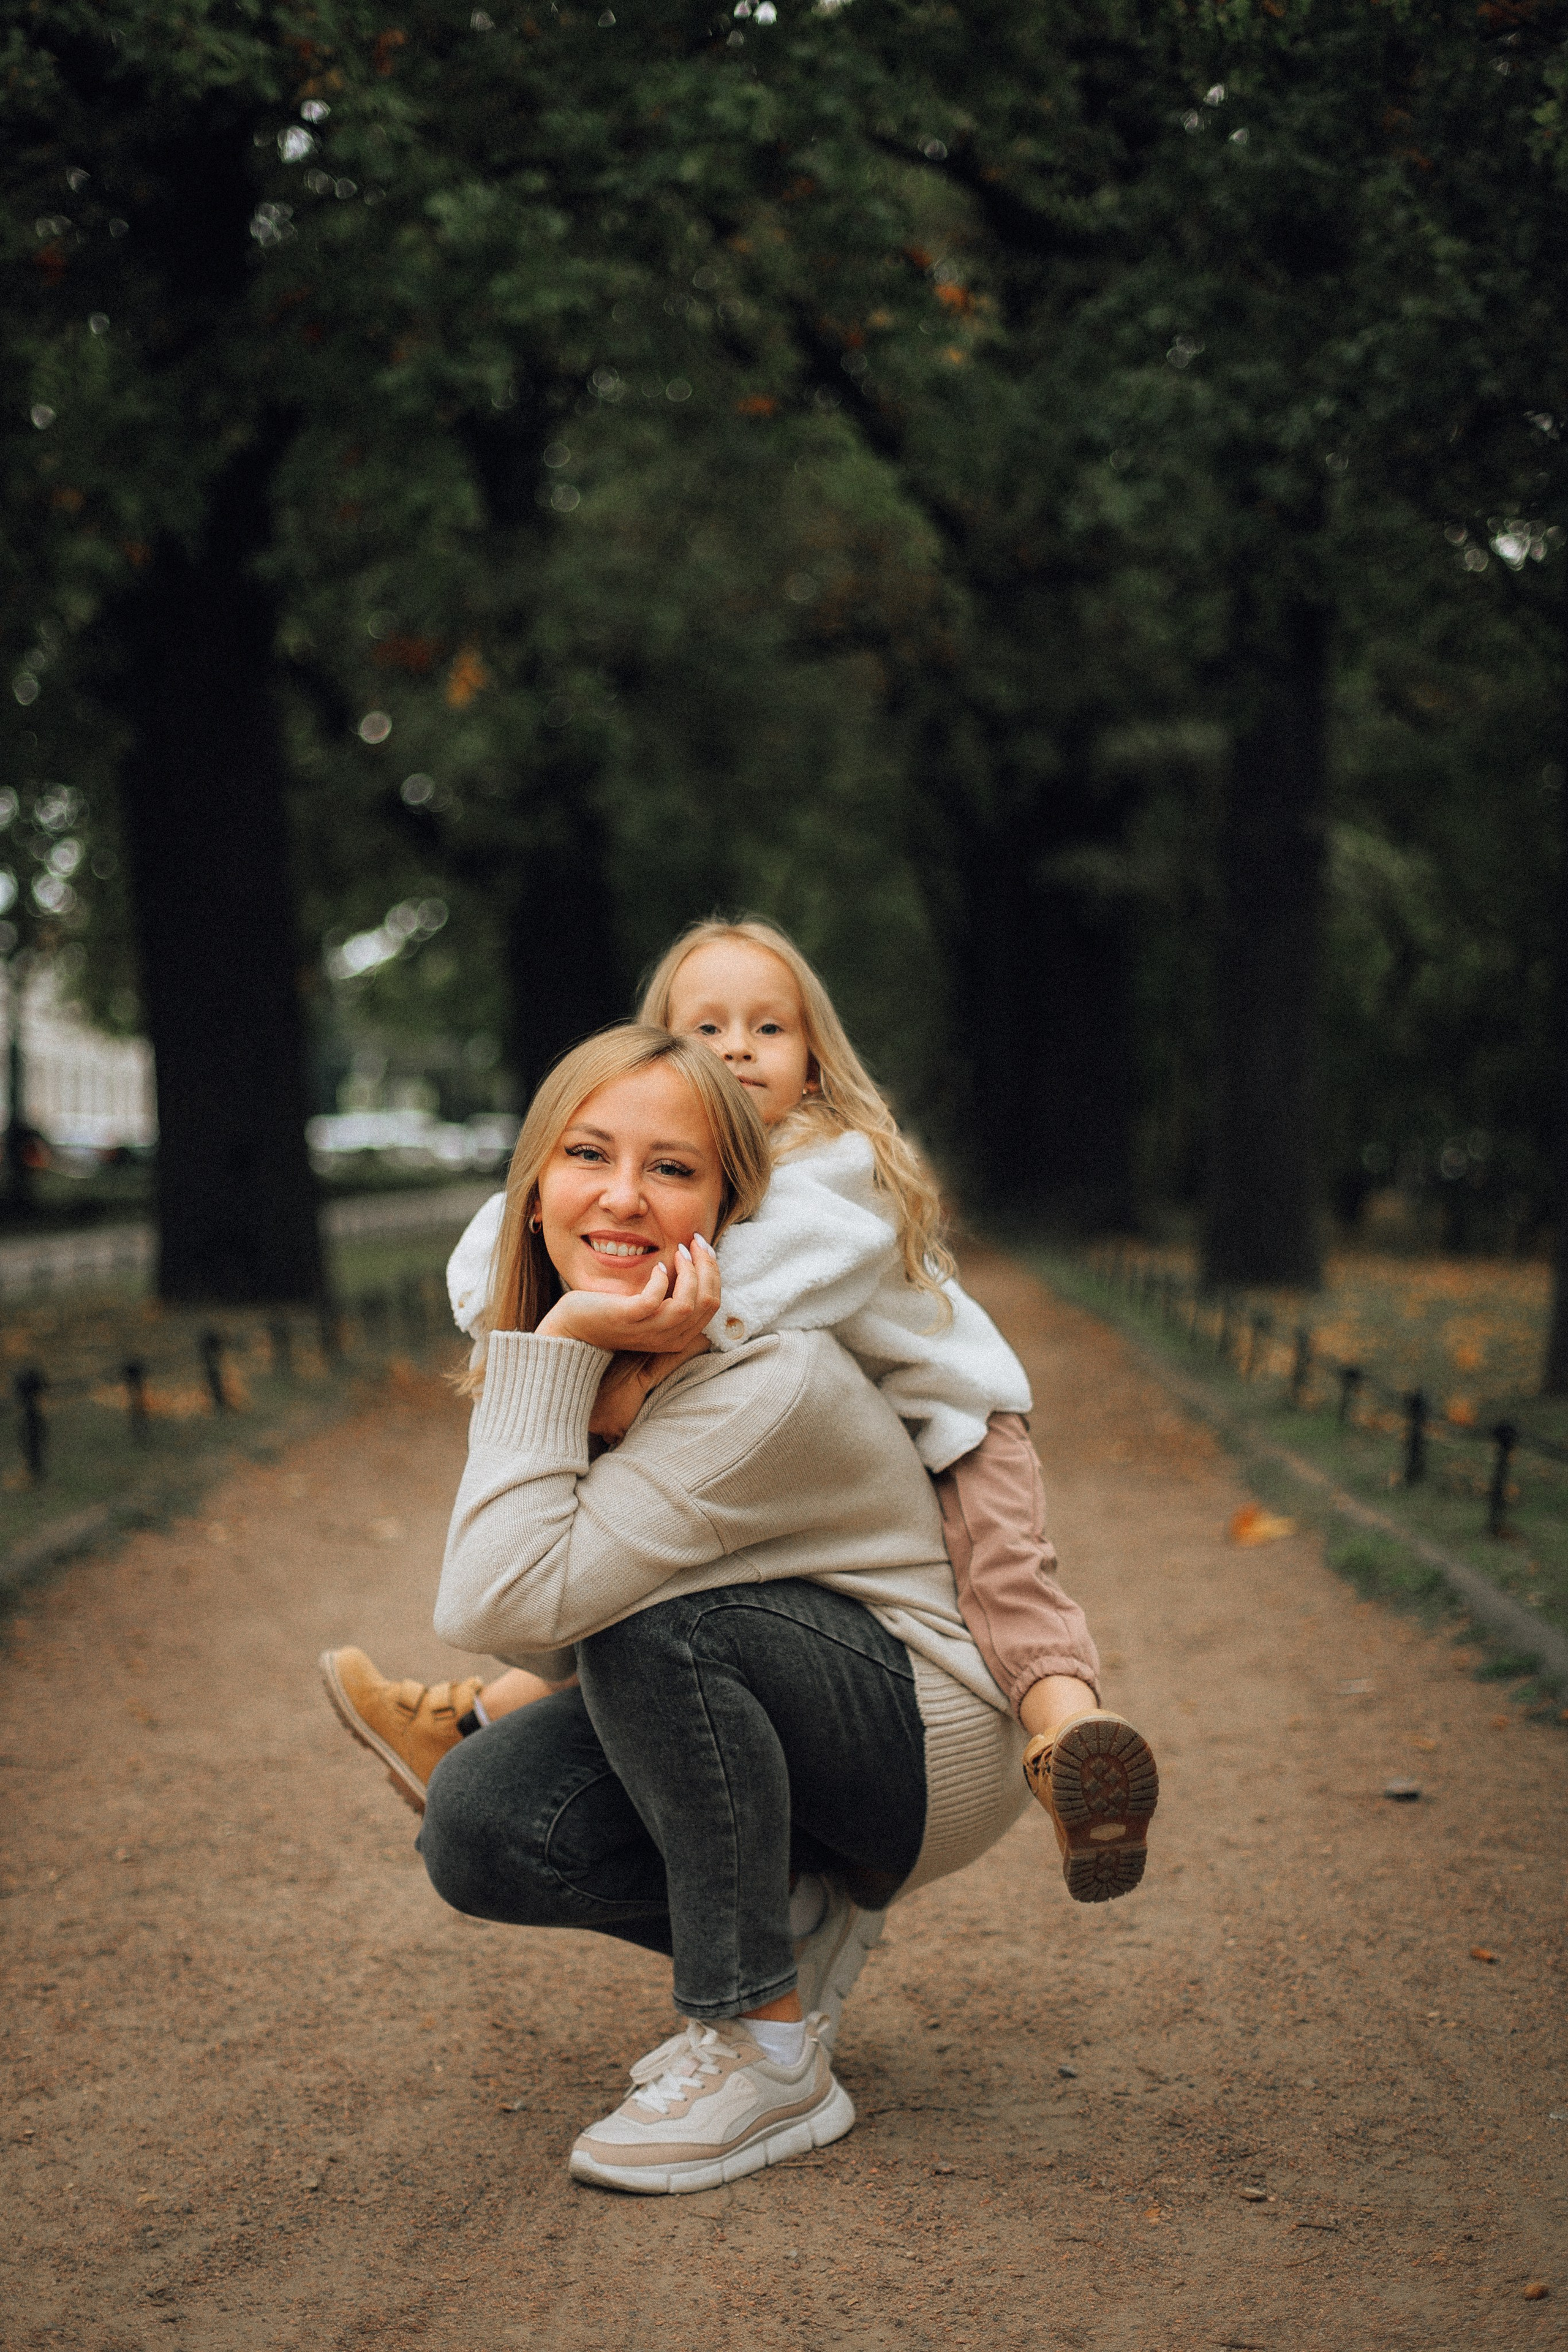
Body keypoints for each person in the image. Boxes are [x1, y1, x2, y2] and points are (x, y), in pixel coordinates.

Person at [328, 919, 1158, 1903]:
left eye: (768, 1029)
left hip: (961, 1424)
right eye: (707, 1027)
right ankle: (475, 1721)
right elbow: (502, 1232)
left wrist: (618, 1354)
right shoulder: (672, 1157)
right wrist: (516, 1324)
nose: (735, 1049)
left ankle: (1064, 1736)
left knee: (1009, 1584)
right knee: (641, 1556)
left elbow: (739, 1287)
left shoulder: (830, 1173)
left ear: (813, 1067)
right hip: (829, 1453)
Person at [379, 1023, 1052, 2192]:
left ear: (730, 1211)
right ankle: (785, 1913)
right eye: (588, 1155)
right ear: (533, 1187)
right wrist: (568, 1348)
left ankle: (766, 2048)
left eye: (674, 1170)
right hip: (774, 1702)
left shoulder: (761, 1378)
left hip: (923, 1737)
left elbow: (504, 1604)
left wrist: (563, 1346)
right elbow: (517, 1620)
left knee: (656, 1613)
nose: (623, 1198)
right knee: (476, 1820)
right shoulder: (606, 1349)